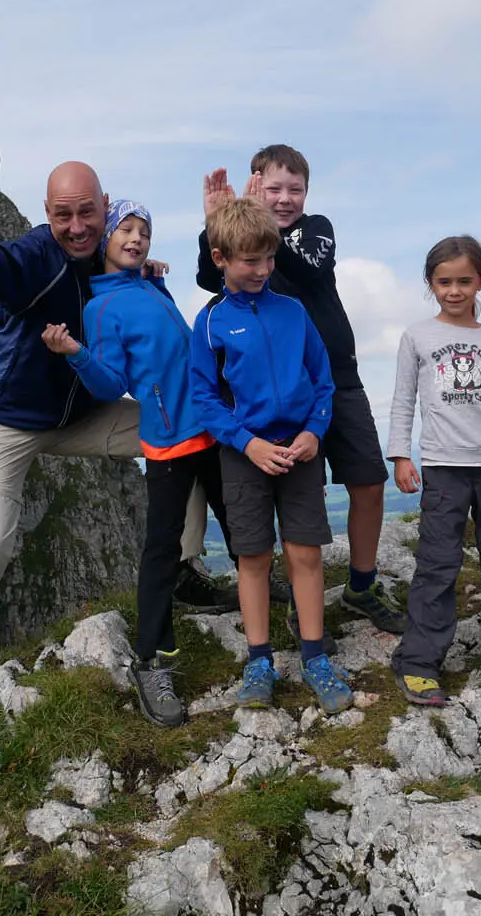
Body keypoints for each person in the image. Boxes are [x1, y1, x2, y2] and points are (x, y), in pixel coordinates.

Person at [0, 162, 166, 707]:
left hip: (80, 418)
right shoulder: (40, 254)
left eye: (87, 213)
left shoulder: (113, 259)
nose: (77, 227)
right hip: (5, 423)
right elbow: (10, 264)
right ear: (47, 215)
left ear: (105, 207)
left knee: (183, 430)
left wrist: (149, 272)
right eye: (63, 216)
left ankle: (188, 566)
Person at [196, 145, 405, 637]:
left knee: (368, 480)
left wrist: (261, 226)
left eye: (296, 189)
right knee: (297, 497)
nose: (285, 198)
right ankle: (299, 602)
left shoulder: (316, 230)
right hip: (278, 395)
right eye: (273, 189)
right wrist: (218, 225)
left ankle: (361, 584)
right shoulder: (246, 251)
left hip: (336, 379)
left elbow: (311, 268)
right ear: (256, 185)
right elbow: (210, 278)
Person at [41, 200, 236, 727]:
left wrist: (156, 279)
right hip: (170, 440)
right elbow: (112, 384)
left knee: (241, 522)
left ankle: (265, 606)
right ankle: (151, 661)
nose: (136, 238)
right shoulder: (101, 308)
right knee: (161, 551)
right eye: (125, 229)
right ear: (105, 238)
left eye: (143, 231)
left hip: (210, 426)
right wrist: (76, 354)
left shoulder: (149, 286)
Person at [189, 199, 354, 714]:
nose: (262, 270)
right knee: (254, 557)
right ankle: (259, 660)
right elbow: (204, 399)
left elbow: (322, 380)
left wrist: (315, 432)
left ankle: (315, 657)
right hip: (245, 455)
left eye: (268, 258)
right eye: (250, 260)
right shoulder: (211, 322)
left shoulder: (294, 311)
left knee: (306, 555)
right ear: (220, 258)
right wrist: (247, 444)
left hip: (300, 451)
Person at [387, 237, 481, 703]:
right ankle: (419, 661)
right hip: (444, 467)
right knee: (437, 564)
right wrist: (400, 455)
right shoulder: (417, 336)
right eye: (444, 281)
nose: (454, 291)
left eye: (464, 281)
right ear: (431, 283)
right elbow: (403, 399)